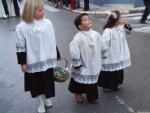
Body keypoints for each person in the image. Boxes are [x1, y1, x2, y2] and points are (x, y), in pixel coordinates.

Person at [15, 0, 60, 113]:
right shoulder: (22, 27)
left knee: (47, 82)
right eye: (40, 10)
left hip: (46, 59)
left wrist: (56, 54)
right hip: (33, 60)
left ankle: (47, 98)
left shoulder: (48, 23)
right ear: (30, 11)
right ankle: (40, 102)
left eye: (43, 9)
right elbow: (20, 46)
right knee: (37, 83)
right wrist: (23, 63)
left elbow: (52, 40)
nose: (43, 12)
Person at [68, 13, 107, 104]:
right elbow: (74, 51)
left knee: (92, 79)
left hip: (94, 63)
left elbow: (102, 44)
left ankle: (92, 96)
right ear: (80, 26)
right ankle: (78, 93)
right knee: (79, 78)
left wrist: (104, 54)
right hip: (83, 63)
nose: (89, 20)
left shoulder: (96, 34)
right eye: (85, 19)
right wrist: (77, 64)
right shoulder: (78, 37)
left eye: (89, 19)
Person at [97, 11, 132, 92]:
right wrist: (104, 54)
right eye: (121, 18)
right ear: (115, 20)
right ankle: (107, 86)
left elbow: (127, 33)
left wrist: (127, 26)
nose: (123, 19)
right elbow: (103, 43)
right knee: (110, 71)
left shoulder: (120, 28)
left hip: (119, 54)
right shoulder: (108, 31)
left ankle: (116, 84)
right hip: (111, 55)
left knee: (118, 69)